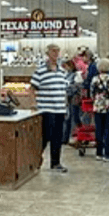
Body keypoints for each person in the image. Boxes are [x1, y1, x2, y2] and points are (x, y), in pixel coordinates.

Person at [30, 43, 68, 173]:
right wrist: (33, 104)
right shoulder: (40, 71)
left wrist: (65, 104)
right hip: (46, 109)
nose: (55, 54)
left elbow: (64, 90)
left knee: (58, 137)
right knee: (45, 137)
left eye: (57, 51)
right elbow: (32, 89)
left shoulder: (62, 71)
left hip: (60, 109)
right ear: (48, 53)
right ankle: (34, 160)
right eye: (53, 51)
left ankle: (55, 163)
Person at [90, 58, 109, 162]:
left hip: (98, 107)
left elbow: (91, 93)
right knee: (108, 131)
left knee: (99, 130)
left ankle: (98, 153)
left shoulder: (94, 79)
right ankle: (107, 154)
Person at [61, 59, 82, 145]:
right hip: (68, 99)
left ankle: (70, 137)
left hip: (72, 99)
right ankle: (65, 137)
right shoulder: (67, 75)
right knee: (67, 119)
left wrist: (67, 91)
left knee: (72, 118)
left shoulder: (75, 75)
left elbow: (76, 87)